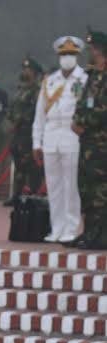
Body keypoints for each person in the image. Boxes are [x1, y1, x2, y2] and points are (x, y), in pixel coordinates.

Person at [33, 36, 88, 244]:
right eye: (64, 54)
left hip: (72, 135)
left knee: (71, 185)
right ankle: (56, 228)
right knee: (53, 186)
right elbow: (39, 114)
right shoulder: (50, 81)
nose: (67, 58)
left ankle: (71, 228)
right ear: (58, 56)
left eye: (71, 54)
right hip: (51, 136)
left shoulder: (84, 79)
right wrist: (36, 142)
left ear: (77, 56)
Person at [71, 29, 107, 250]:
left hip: (102, 144)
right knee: (86, 188)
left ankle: (101, 235)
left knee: (100, 191)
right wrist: (77, 120)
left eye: (93, 49)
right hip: (88, 143)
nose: (91, 53)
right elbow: (83, 103)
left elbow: (103, 110)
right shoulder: (92, 76)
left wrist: (84, 122)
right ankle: (89, 232)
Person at [3, 56, 45, 207]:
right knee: (19, 165)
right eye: (24, 69)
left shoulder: (37, 90)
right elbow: (12, 108)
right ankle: (17, 195)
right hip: (18, 134)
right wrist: (10, 120)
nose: (25, 72)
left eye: (28, 69)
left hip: (29, 133)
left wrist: (18, 122)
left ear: (34, 72)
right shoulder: (21, 89)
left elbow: (34, 111)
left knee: (32, 167)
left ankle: (33, 195)